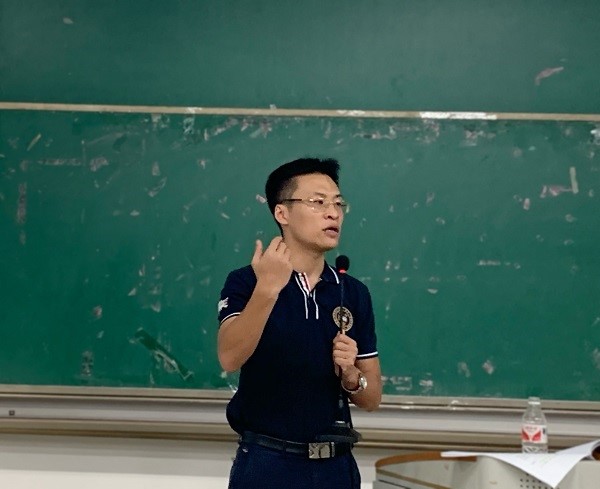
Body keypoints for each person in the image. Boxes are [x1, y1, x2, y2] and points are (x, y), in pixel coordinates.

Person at [217, 157, 382, 489]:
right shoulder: (247, 281)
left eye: (338, 204)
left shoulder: (352, 292)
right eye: (318, 202)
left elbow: (372, 398)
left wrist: (351, 376)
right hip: (268, 463)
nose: (333, 213)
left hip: (336, 465)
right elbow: (229, 357)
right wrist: (268, 288)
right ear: (282, 213)